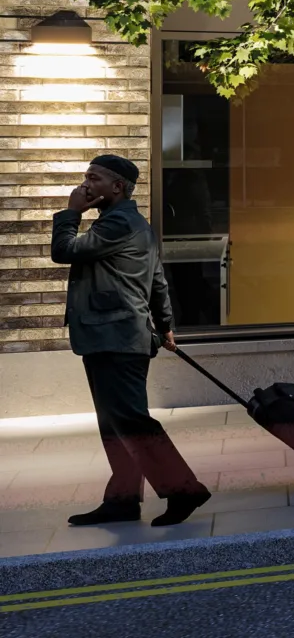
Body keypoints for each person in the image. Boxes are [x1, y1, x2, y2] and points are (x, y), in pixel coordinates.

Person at [52, 154, 210, 527]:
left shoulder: (119, 223)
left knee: (130, 421)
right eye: (86, 177)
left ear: (118, 187)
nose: (85, 184)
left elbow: (64, 250)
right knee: (116, 423)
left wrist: (70, 213)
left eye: (94, 178)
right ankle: (122, 500)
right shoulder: (136, 224)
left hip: (116, 338)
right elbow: (158, 281)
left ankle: (184, 489)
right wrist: (165, 325)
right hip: (115, 337)